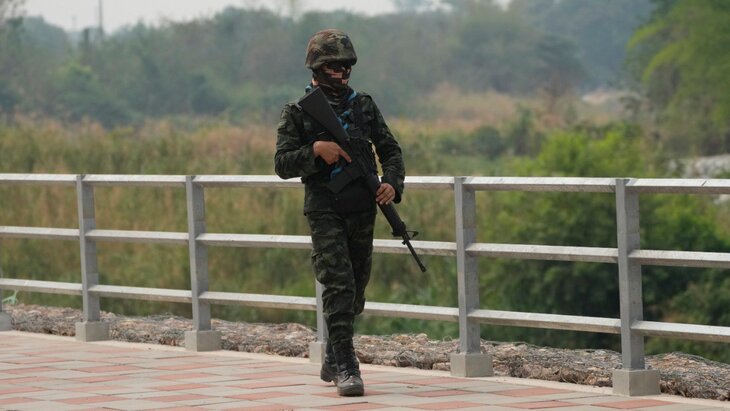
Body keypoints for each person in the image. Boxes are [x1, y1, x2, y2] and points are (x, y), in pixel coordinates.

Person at [274, 29, 406, 397]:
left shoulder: (363, 106)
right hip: (325, 209)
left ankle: (333, 354)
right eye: (334, 66)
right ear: (317, 68)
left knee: (356, 291)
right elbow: (282, 164)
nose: (342, 72)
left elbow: (391, 151)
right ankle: (347, 365)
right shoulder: (298, 112)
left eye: (347, 66)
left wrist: (392, 183)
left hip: (362, 209)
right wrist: (316, 151)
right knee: (338, 285)